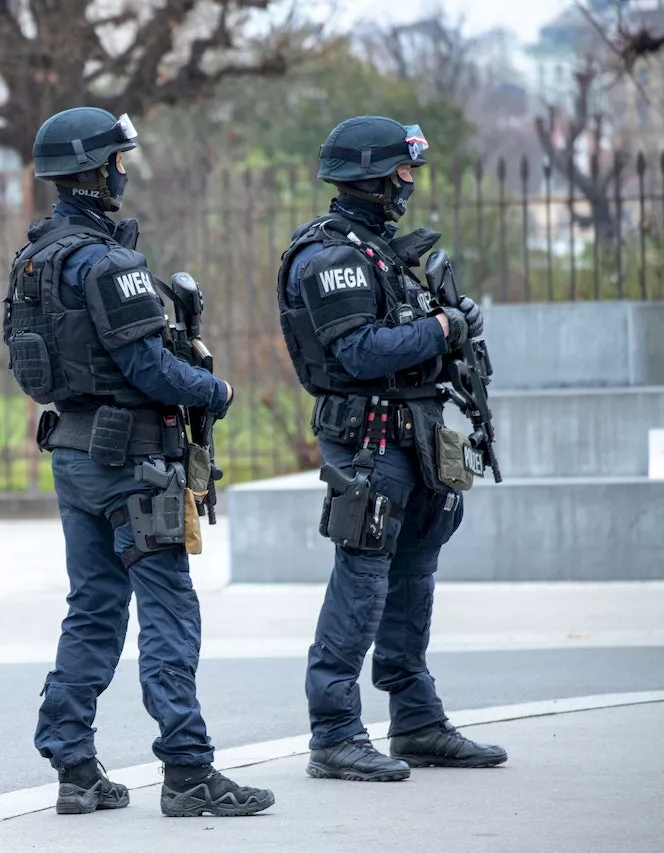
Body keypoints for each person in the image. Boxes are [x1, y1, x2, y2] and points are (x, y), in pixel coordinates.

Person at [2, 106, 275, 818]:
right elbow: (147, 364)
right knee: (168, 611)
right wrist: (215, 387)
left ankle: (75, 767)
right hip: (136, 467)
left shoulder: (34, 260)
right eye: (117, 160)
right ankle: (188, 770)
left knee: (92, 608)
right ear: (95, 172)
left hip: (72, 455)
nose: (124, 170)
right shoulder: (108, 262)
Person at [275, 115, 509, 782]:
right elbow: (360, 351)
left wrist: (452, 327)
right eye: (402, 172)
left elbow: (414, 337)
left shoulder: (382, 251)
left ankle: (417, 721)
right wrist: (442, 326)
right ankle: (335, 731)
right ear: (374, 177)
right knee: (364, 579)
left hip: (415, 437)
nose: (409, 183)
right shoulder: (331, 258)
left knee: (413, 577)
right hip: (368, 440)